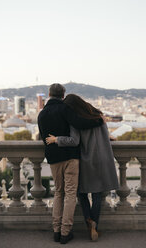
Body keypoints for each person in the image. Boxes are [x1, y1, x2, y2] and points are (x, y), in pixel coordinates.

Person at [46, 94, 119, 241]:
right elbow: (103, 134)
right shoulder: (98, 115)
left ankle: (89, 220)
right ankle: (95, 226)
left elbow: (74, 140)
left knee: (82, 193)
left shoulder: (76, 121)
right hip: (103, 158)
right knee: (98, 194)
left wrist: (56, 139)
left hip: (87, 159)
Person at [38, 85, 103, 244]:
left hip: (53, 158)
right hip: (70, 158)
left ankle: (56, 230)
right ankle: (65, 232)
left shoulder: (41, 114)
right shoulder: (65, 110)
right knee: (70, 195)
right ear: (63, 95)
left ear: (49, 94)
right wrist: (99, 120)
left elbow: (43, 137)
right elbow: (80, 124)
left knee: (58, 193)